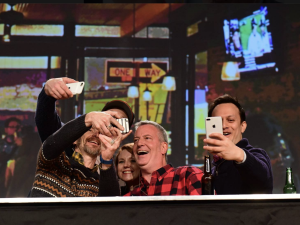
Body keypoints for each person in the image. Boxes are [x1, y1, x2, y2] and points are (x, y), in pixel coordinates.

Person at [30, 77, 135, 197]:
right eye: (90, 129)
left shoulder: (105, 177)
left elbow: (109, 208)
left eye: (117, 124)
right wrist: (47, 92)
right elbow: (50, 131)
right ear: (74, 138)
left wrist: (106, 161)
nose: (96, 134)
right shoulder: (57, 157)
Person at [203, 94, 273, 194]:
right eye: (218, 122)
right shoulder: (214, 171)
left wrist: (240, 155)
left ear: (243, 126)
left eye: (230, 120)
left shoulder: (257, 155)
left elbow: (263, 178)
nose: (224, 126)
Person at [124, 120, 203, 196]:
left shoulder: (188, 176)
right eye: (136, 140)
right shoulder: (130, 197)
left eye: (147, 138)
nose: (139, 143)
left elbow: (208, 209)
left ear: (163, 147)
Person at [0, 117, 22, 197]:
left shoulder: (24, 143)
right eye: (12, 127)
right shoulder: (2, 143)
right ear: (6, 129)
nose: (15, 129)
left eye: (17, 127)